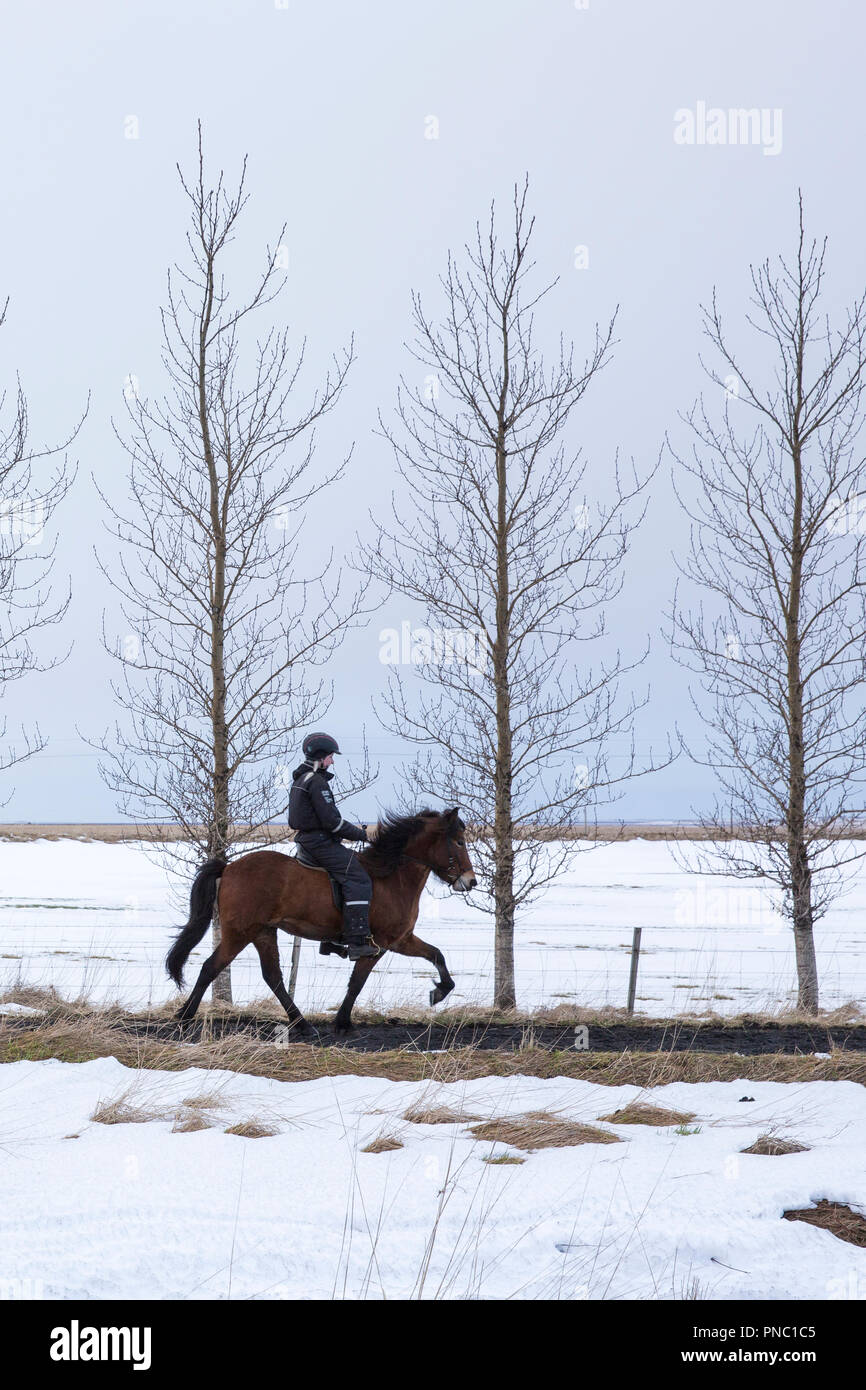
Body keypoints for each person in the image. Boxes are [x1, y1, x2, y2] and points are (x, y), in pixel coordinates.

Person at [287, 732, 379, 960]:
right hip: (320, 843)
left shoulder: (301, 779)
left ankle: (329, 941)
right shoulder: (317, 783)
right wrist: (362, 835)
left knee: (338, 878)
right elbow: (333, 822)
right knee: (359, 877)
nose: (332, 761)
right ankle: (357, 941)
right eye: (330, 756)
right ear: (320, 756)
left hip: (307, 842)